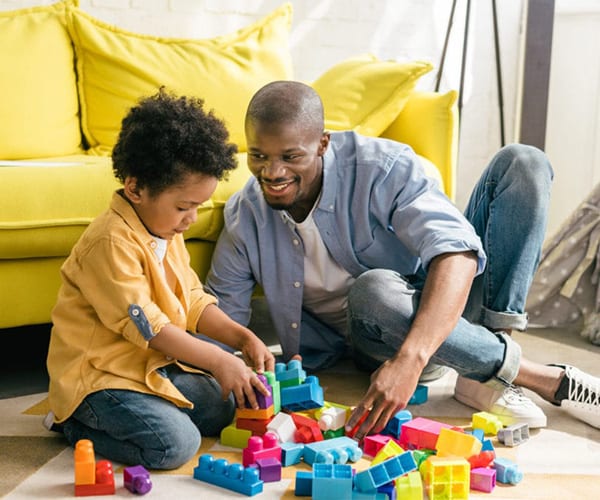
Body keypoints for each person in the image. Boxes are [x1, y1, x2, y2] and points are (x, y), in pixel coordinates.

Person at [206, 80, 600, 440]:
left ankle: (486, 373)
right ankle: (538, 378)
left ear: (323, 144)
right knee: (374, 292)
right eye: (258, 156)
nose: (272, 172)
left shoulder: (381, 168)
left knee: (523, 162)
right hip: (377, 339)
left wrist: (411, 360)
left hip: (424, 333)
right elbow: (218, 320)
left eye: (291, 156)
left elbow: (456, 252)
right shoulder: (246, 217)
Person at [45, 89, 275, 470]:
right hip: (100, 379)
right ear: (135, 188)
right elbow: (150, 328)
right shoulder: (109, 241)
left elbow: (192, 298)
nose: (192, 218)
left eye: (199, 207)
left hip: (148, 367)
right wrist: (219, 360)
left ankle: (148, 409)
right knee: (174, 446)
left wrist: (241, 337)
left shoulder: (166, 230)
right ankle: (70, 421)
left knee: (226, 406)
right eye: (184, 207)